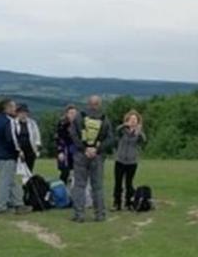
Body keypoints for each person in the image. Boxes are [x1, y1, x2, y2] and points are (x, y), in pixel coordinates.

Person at [69, 95, 114, 223]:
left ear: (88, 104)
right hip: (97, 156)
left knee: (79, 185)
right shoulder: (104, 119)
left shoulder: (79, 117)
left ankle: (79, 215)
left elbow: (73, 134)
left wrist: (84, 149)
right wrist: (96, 150)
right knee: (98, 187)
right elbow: (110, 139)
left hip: (80, 155)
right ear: (99, 104)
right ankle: (100, 215)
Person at [0, 99, 26, 215]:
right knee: (5, 182)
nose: (15, 109)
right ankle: (0, 207)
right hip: (7, 155)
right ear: (7, 108)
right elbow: (12, 139)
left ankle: (18, 203)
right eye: (13, 107)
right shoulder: (9, 121)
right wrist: (19, 151)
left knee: (10, 179)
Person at [113, 110, 146, 211]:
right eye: (131, 119)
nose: (133, 121)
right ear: (127, 120)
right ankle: (117, 203)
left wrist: (139, 132)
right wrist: (125, 125)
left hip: (132, 161)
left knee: (129, 183)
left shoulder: (138, 133)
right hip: (120, 160)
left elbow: (144, 141)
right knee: (118, 183)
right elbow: (117, 130)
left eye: (135, 120)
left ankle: (128, 203)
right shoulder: (123, 130)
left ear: (138, 121)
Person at [54, 105, 78, 184]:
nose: (73, 115)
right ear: (67, 114)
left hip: (76, 149)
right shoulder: (62, 124)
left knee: (77, 171)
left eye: (74, 113)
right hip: (65, 149)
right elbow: (58, 138)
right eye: (71, 113)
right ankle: (61, 187)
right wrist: (60, 151)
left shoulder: (79, 124)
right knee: (65, 171)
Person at [14, 103, 41, 172]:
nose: (23, 115)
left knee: (29, 170)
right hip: (18, 150)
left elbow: (37, 136)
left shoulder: (32, 123)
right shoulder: (13, 123)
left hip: (30, 150)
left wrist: (37, 148)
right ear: (17, 113)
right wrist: (19, 150)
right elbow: (14, 138)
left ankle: (28, 182)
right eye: (21, 113)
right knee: (20, 170)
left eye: (24, 112)